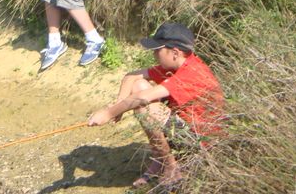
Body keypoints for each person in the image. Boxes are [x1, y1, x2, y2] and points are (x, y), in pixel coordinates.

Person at [87, 22, 226, 189]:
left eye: (157, 50)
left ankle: (171, 167)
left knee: (144, 104)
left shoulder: (193, 72)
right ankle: (160, 159)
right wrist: (119, 105)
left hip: (201, 143)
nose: (154, 54)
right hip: (183, 130)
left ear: (175, 52)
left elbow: (143, 98)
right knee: (138, 85)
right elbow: (131, 76)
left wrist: (108, 113)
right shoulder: (178, 64)